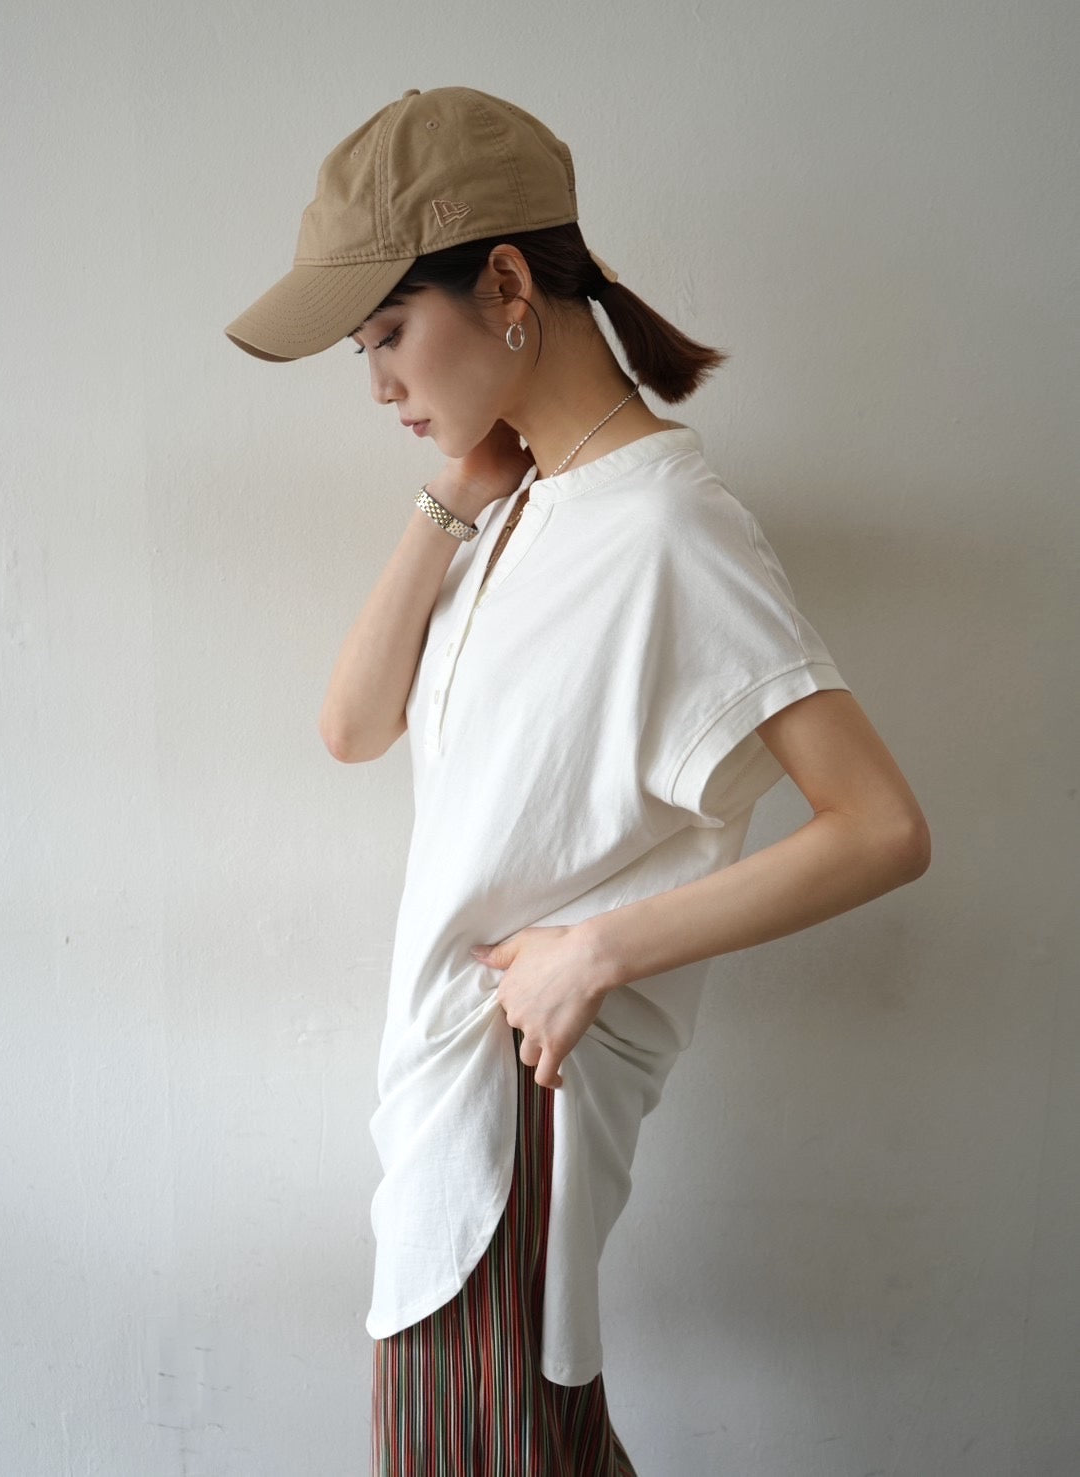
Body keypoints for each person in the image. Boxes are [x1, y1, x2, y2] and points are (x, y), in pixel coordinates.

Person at [225, 85, 931, 1476]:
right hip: (448, 1114)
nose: (377, 387)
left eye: (387, 334)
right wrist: (449, 500)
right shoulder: (529, 503)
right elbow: (352, 726)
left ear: (504, 285)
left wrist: (598, 951)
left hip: (515, 1108)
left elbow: (881, 827)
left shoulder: (670, 529)